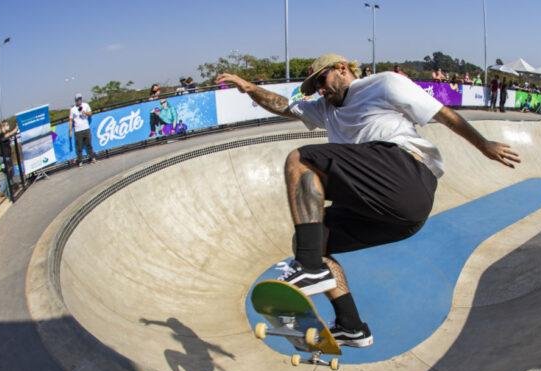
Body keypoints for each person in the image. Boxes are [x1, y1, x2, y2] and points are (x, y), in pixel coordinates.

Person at [216, 53, 520, 345]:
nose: (321, 90)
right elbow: (286, 106)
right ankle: (351, 326)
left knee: (300, 159)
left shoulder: (383, 83)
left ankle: (309, 268)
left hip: (406, 174)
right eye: (315, 88)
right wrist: (249, 88)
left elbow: (442, 113)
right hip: (394, 218)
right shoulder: (325, 109)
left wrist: (483, 144)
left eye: (323, 80)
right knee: (311, 240)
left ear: (342, 68)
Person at [69, 93, 97, 166]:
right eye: (78, 99)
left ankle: (92, 158)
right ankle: (80, 161)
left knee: (89, 145)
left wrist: (85, 112)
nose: (79, 100)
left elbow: (90, 113)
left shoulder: (86, 105)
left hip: (86, 128)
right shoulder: (72, 109)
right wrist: (70, 130)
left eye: (80, 99)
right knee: (79, 147)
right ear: (75, 100)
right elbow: (71, 120)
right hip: (78, 130)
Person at [0, 121, 19, 201]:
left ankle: (6, 193)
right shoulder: (1, 135)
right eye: (7, 125)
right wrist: (15, 129)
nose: (8, 126)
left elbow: (10, 135)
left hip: (8, 157)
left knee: (10, 175)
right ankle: (3, 191)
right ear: (3, 126)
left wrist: (16, 130)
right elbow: (8, 135)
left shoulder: (5, 134)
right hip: (4, 159)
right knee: (7, 176)